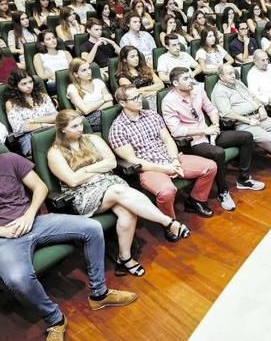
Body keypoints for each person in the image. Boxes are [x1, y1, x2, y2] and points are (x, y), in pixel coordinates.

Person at [0, 129, 136, 340]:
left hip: (35, 221)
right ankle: (55, 319)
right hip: (0, 237)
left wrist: (29, 214)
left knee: (92, 228)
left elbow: (40, 187)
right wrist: (2, 230)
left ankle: (100, 294)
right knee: (18, 279)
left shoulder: (10, 159)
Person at [49, 109, 189, 278]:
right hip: (82, 194)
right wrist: (98, 168)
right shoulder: (55, 152)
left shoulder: (93, 139)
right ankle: (169, 222)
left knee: (127, 211)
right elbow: (72, 181)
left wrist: (86, 170)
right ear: (63, 129)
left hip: (109, 183)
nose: (81, 129)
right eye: (75, 126)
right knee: (119, 191)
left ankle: (124, 258)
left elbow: (112, 163)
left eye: (80, 124)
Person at [109, 85, 218, 220]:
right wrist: (164, 169)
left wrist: (174, 160)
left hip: (169, 158)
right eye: (134, 98)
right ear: (122, 103)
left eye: (139, 96)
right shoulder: (118, 128)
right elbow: (133, 161)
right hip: (149, 168)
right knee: (167, 192)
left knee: (210, 166)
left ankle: (195, 201)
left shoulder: (152, 115)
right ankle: (170, 222)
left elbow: (168, 140)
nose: (139, 100)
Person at [163, 67, 263, 211]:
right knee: (218, 153)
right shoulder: (169, 101)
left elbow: (211, 109)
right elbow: (176, 131)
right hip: (191, 142)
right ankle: (223, 192)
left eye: (190, 77)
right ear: (175, 83)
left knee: (247, 137)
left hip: (209, 133)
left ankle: (244, 178)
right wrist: (205, 130)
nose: (191, 80)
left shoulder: (197, 90)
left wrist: (215, 125)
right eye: (186, 79)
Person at [4, 69, 58, 156]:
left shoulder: (43, 96)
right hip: (29, 137)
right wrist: (44, 124)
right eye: (24, 84)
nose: (29, 86)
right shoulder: (11, 104)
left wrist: (31, 120)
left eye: (30, 82)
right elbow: (19, 128)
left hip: (51, 130)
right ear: (15, 86)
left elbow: (55, 117)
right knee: (52, 151)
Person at [66, 58, 113, 132]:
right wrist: (103, 100)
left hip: (106, 114)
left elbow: (110, 102)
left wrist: (91, 108)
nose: (88, 72)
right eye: (84, 70)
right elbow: (86, 110)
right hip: (89, 120)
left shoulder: (98, 82)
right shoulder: (72, 88)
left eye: (89, 69)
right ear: (75, 74)